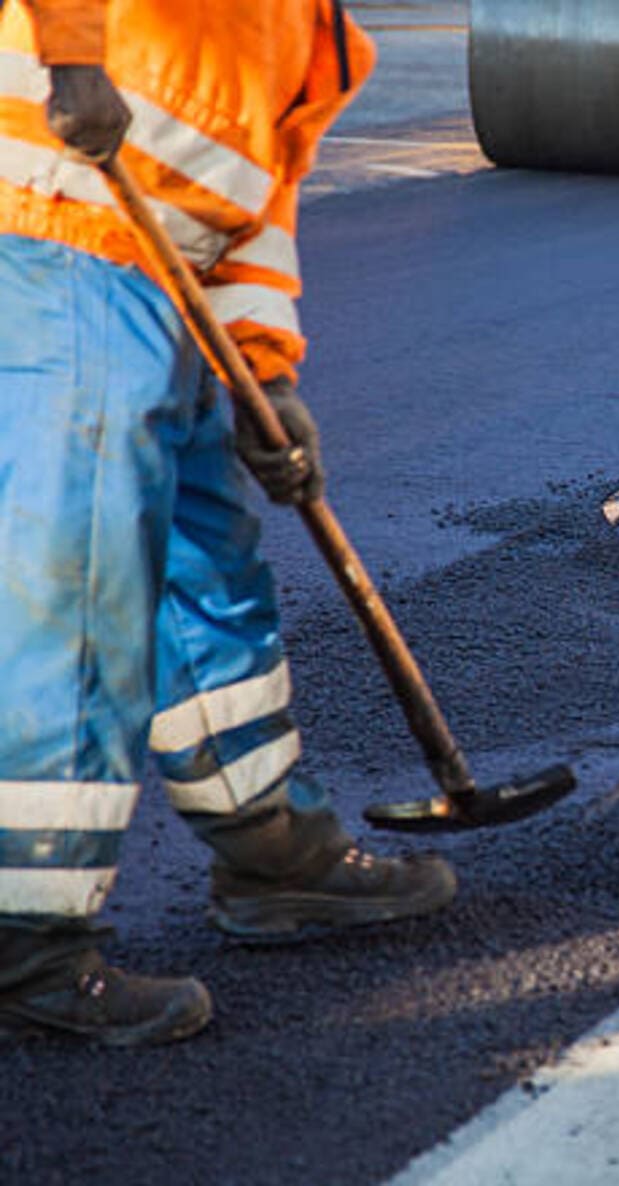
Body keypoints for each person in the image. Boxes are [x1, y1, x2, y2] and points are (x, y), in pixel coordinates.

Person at [0, 0, 457, 1047]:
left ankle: (272, 853)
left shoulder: (313, 37)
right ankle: (27, 939)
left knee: (209, 565)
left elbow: (258, 213)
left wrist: (266, 374)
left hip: (165, 286)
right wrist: (70, 55)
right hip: (59, 234)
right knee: (82, 585)